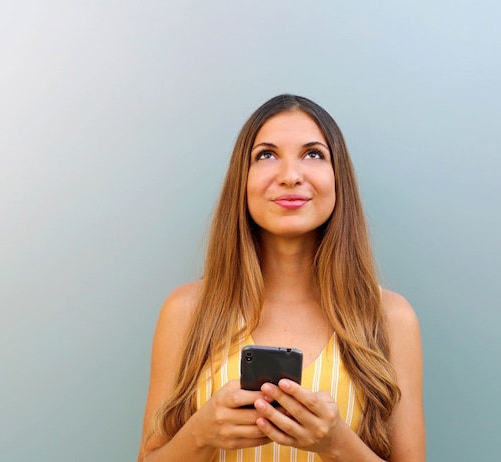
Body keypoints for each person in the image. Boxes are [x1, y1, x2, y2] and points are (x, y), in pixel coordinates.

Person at [137, 94, 425, 461]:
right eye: (266, 155)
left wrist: (338, 443)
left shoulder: (391, 318)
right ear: (242, 179)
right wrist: (201, 434)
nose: (290, 176)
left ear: (339, 178)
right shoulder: (186, 310)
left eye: (314, 154)